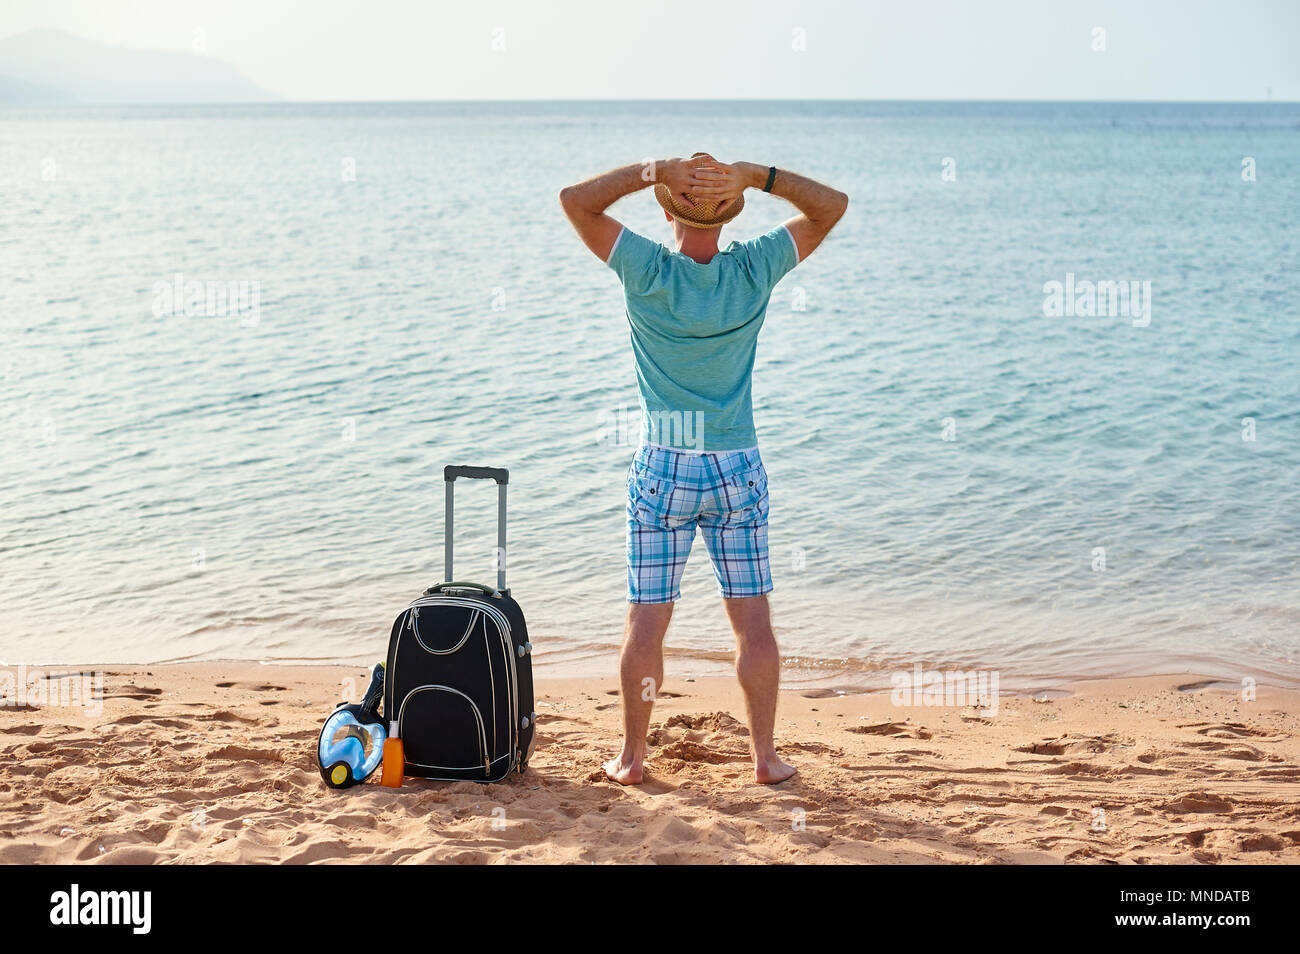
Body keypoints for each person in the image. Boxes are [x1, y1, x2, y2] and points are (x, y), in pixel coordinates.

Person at [559, 153, 848, 784]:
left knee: (647, 618)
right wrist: (756, 175)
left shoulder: (645, 269)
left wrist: (652, 169)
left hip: (664, 462)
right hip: (736, 462)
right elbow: (833, 206)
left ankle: (633, 760)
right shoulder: (753, 268)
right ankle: (765, 759)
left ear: (665, 211)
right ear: (733, 213)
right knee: (753, 623)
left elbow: (575, 200)